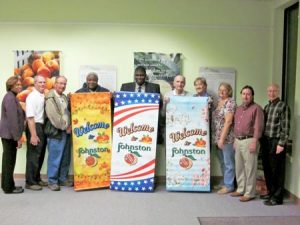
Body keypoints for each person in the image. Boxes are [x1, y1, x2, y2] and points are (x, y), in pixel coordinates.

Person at [231, 85, 264, 202]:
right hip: (238, 140)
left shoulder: (257, 108)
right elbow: (236, 125)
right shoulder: (239, 109)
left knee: (250, 168)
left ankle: (250, 193)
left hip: (250, 140)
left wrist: (255, 141)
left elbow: (258, 127)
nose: (246, 96)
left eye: (248, 94)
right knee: (239, 167)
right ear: (241, 95)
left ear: (252, 96)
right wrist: (235, 139)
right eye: (244, 94)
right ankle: (240, 189)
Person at [260, 83, 290, 206]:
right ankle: (271, 192)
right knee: (267, 169)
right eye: (269, 91)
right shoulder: (267, 107)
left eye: (274, 91)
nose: (271, 93)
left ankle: (277, 198)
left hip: (276, 141)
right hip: (266, 141)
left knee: (277, 170)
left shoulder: (283, 106)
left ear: (278, 92)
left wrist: (281, 144)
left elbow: (286, 127)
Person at [121, 66, 162, 143]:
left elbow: (159, 106)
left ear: (145, 76)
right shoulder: (125, 87)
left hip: (148, 123)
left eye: (141, 75)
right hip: (131, 123)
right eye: (137, 75)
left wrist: (162, 100)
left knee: (145, 143)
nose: (139, 77)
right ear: (134, 76)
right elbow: (121, 106)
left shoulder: (155, 87)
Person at [45, 76, 72, 191]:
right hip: (56, 132)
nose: (62, 86)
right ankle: (52, 181)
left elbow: (67, 113)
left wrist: (69, 126)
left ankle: (62, 178)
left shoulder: (64, 97)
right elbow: (54, 117)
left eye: (64, 84)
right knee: (54, 158)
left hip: (67, 132)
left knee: (65, 157)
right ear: (55, 84)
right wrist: (66, 127)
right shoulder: (50, 98)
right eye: (60, 83)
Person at [0, 76, 25, 194]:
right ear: (11, 86)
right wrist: (18, 138)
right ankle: (9, 188)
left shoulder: (11, 97)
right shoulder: (10, 98)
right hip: (10, 135)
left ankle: (6, 185)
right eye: (17, 85)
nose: (19, 86)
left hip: (8, 135)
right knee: (9, 162)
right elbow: (13, 120)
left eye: (20, 84)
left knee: (7, 161)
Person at [212, 82, 236, 194]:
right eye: (220, 89)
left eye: (224, 90)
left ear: (229, 92)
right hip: (217, 138)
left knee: (228, 163)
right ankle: (225, 183)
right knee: (222, 162)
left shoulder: (230, 103)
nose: (221, 92)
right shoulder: (218, 103)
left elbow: (228, 121)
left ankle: (229, 186)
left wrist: (221, 138)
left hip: (227, 138)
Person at [25, 75, 48, 190]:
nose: (42, 84)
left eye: (44, 82)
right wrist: (33, 135)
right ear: (35, 83)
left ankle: (37, 178)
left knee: (40, 154)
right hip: (35, 126)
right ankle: (30, 182)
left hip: (42, 126)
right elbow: (30, 118)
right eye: (40, 82)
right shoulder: (31, 97)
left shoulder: (42, 95)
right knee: (33, 155)